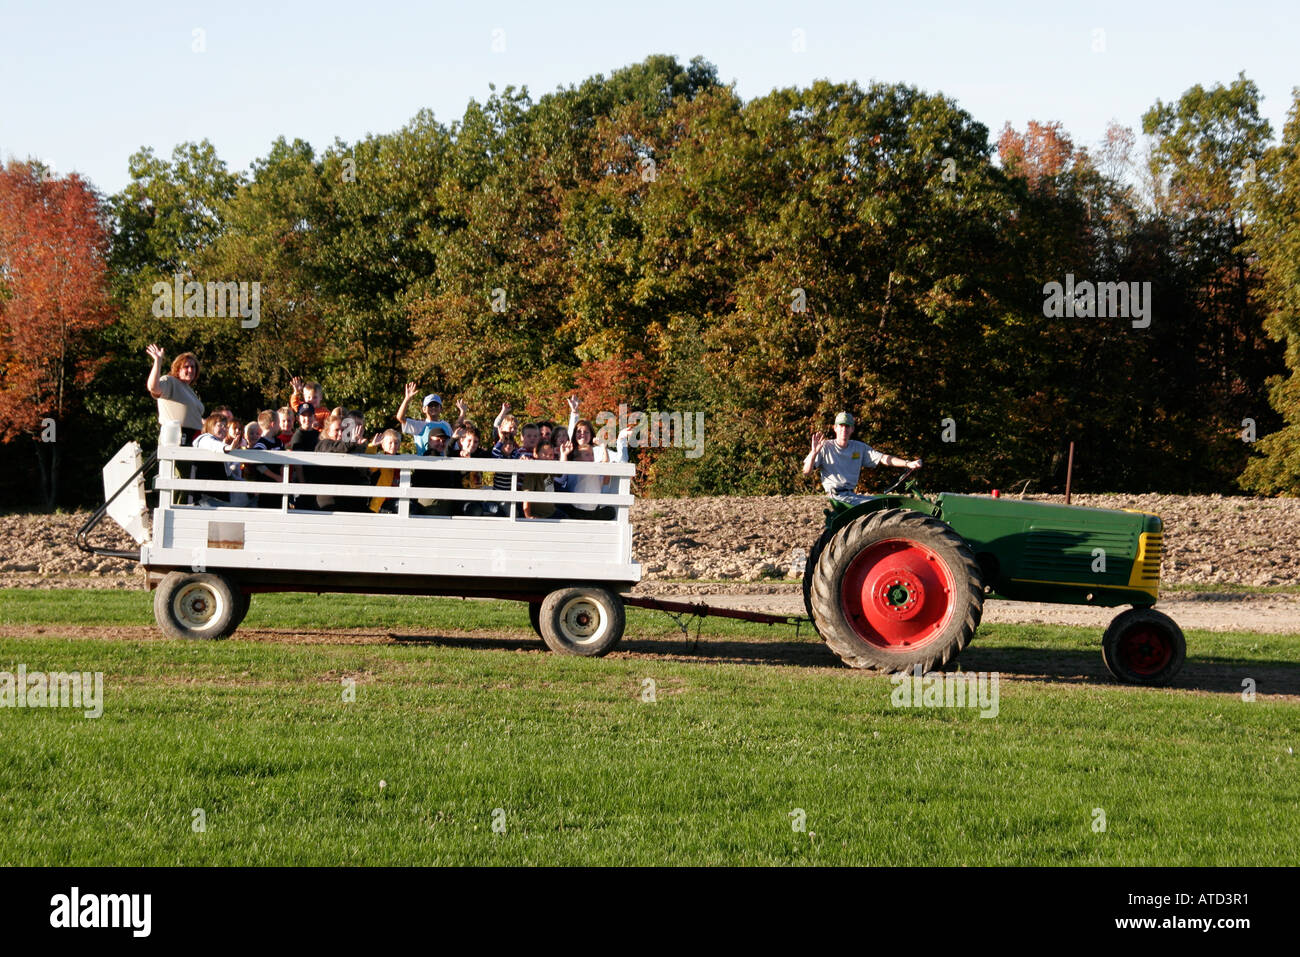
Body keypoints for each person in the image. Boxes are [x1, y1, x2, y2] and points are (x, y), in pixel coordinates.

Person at [802, 412, 921, 506]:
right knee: (878, 506)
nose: (844, 429)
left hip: (851, 495)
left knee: (889, 502)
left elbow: (883, 458)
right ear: (835, 428)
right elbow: (806, 472)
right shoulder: (825, 447)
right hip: (838, 497)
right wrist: (813, 453)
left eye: (847, 426)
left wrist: (907, 463)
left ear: (852, 429)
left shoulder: (858, 447)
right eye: (841, 426)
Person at [145, 345, 204, 445]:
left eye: (193, 367)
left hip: (194, 437)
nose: (190, 370)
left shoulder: (190, 391)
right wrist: (158, 361)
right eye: (186, 367)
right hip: (176, 437)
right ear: (177, 369)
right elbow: (153, 387)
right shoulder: (170, 381)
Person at [395, 383, 455, 454]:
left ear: (441, 408)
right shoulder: (419, 425)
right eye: (430, 405)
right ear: (424, 409)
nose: (433, 407)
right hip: (425, 463)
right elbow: (400, 418)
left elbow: (453, 445)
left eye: (436, 405)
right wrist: (407, 399)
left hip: (445, 463)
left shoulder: (446, 425)